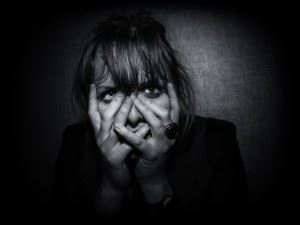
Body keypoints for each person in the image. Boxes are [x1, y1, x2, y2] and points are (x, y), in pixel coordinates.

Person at [51, 12, 248, 221]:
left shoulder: (216, 141)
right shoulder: (75, 144)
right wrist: (111, 188)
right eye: (109, 94)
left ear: (177, 92)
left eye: (151, 90)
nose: (134, 116)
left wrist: (155, 183)